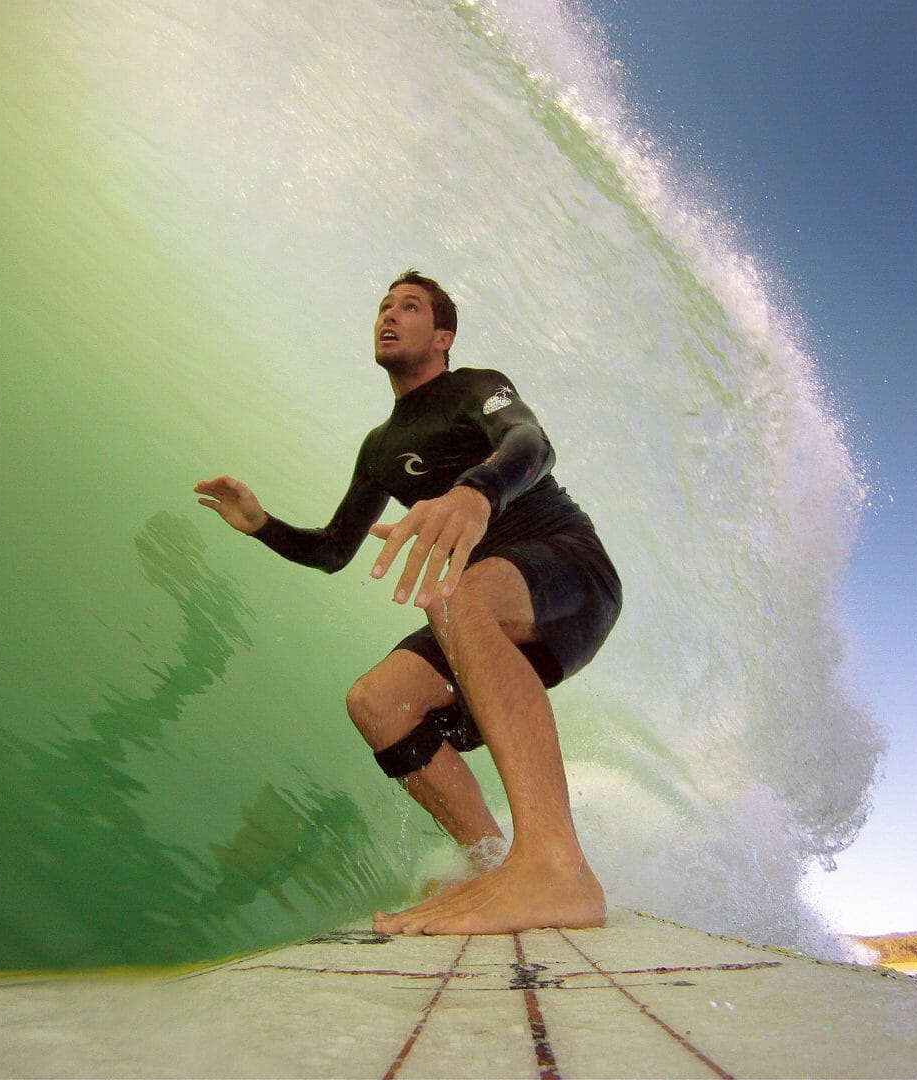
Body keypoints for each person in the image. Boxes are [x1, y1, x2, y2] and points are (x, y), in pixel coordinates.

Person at [195, 270, 620, 935]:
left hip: (573, 570)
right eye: (384, 306)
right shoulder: (381, 448)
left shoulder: (475, 389)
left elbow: (532, 444)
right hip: (483, 608)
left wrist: (476, 494)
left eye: (411, 307)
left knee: (454, 600)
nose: (390, 315)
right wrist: (262, 525)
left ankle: (556, 868)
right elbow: (337, 548)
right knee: (378, 701)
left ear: (443, 335)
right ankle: (492, 866)